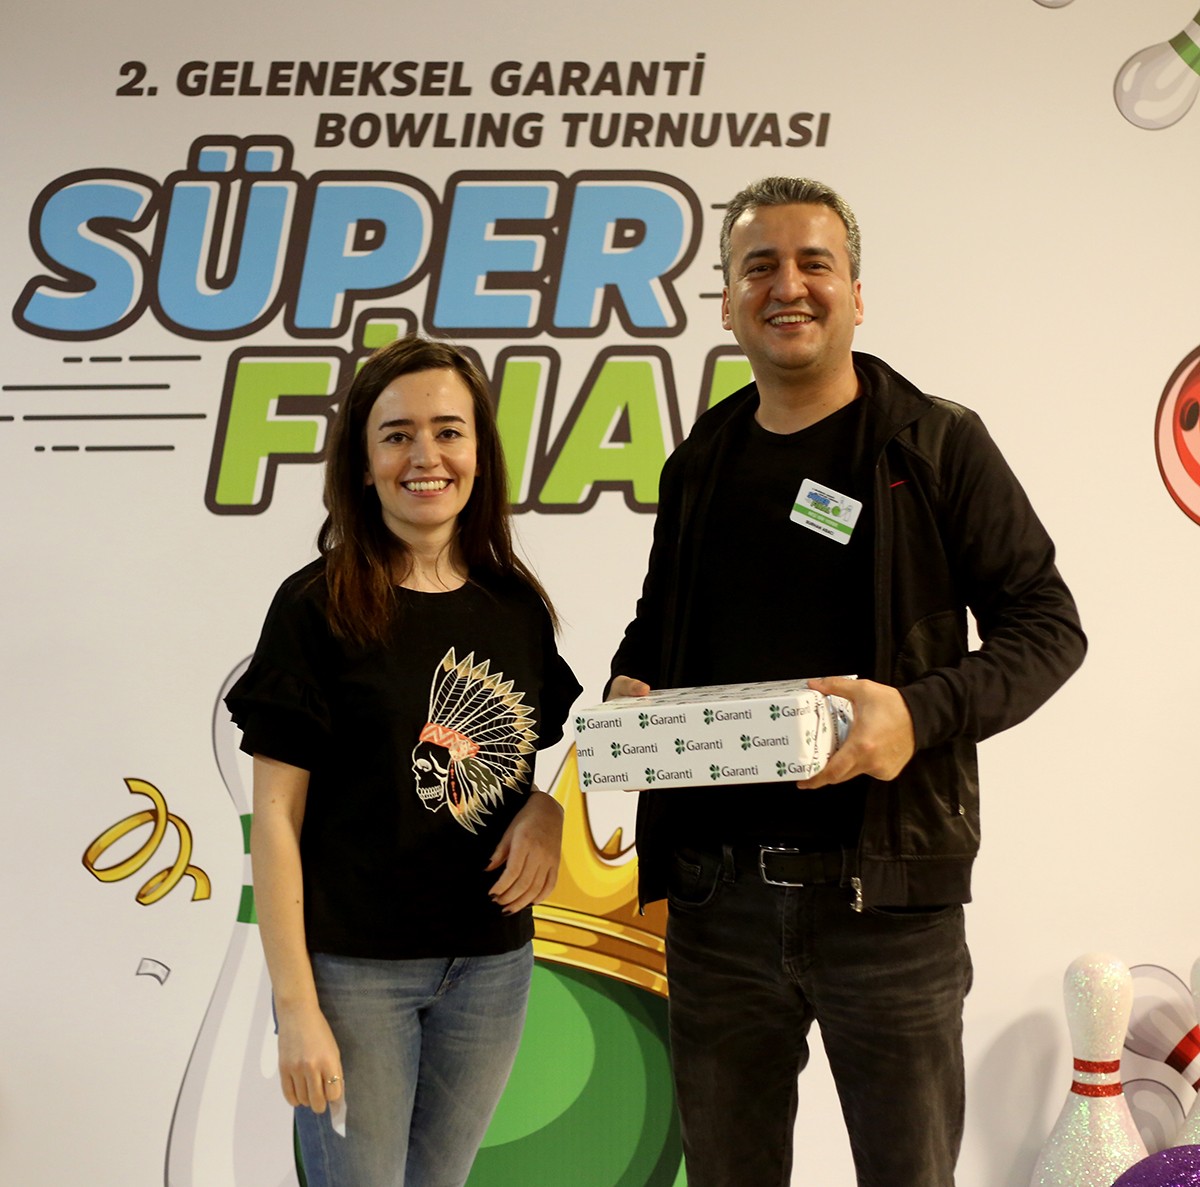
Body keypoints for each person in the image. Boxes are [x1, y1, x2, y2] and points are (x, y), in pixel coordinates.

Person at [608, 177, 1086, 1186]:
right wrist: (631, 688)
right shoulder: (701, 464)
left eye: (813, 263)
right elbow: (658, 627)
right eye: (759, 267)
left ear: (856, 294)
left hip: (888, 908)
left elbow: (1048, 626)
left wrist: (917, 711)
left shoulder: (936, 443)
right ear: (728, 303)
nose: (788, 286)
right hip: (717, 905)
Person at [225, 335, 581, 1187]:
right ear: (363, 462)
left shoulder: (516, 605)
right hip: (355, 975)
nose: (426, 456)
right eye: (397, 435)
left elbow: (515, 764)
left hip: (491, 968)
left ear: (479, 453)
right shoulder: (314, 606)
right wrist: (296, 1005)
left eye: (449, 431)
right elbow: (274, 819)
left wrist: (547, 809)